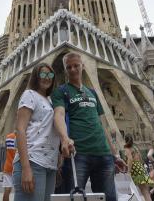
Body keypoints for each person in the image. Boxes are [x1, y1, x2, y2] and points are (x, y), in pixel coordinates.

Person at [52, 52, 127, 201]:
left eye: (76, 65)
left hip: (103, 154)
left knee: (109, 198)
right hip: (78, 154)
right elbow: (59, 115)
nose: (73, 69)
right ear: (65, 70)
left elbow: (101, 124)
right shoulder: (61, 91)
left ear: (83, 66)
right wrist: (65, 138)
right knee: (74, 197)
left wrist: (115, 154)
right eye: (69, 67)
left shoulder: (92, 93)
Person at [13, 63, 60, 201]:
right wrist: (26, 168)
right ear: (36, 76)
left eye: (50, 74)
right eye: (43, 74)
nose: (47, 78)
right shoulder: (29, 94)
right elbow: (20, 129)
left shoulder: (51, 101)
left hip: (49, 164)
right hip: (33, 161)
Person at [124, 136, 153, 201]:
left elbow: (130, 159)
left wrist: (128, 171)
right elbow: (140, 157)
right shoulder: (135, 147)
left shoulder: (127, 148)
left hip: (134, 168)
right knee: (145, 190)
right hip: (140, 166)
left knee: (137, 189)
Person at [2, 132, 16, 201]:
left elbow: (6, 150)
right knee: (20, 191)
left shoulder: (8, 137)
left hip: (8, 166)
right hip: (18, 167)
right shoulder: (23, 137)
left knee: (7, 190)